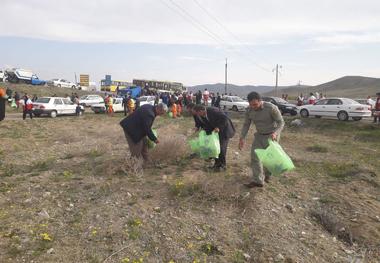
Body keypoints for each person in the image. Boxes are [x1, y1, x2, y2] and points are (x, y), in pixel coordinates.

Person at [239, 91, 284, 188]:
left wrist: (275, 133)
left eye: (255, 104)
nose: (253, 107)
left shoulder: (271, 108)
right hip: (259, 136)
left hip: (272, 136)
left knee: (270, 158)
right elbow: (246, 124)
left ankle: (268, 175)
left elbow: (281, 122)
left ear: (260, 101)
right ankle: (258, 180)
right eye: (251, 105)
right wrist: (242, 138)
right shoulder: (249, 110)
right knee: (255, 157)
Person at [192, 104, 235, 171]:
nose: (197, 115)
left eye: (197, 113)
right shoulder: (201, 115)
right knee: (214, 147)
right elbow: (204, 123)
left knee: (221, 147)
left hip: (224, 130)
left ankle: (223, 166)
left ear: (201, 111)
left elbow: (225, 118)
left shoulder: (213, 111)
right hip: (215, 132)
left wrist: (218, 127)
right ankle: (216, 165)